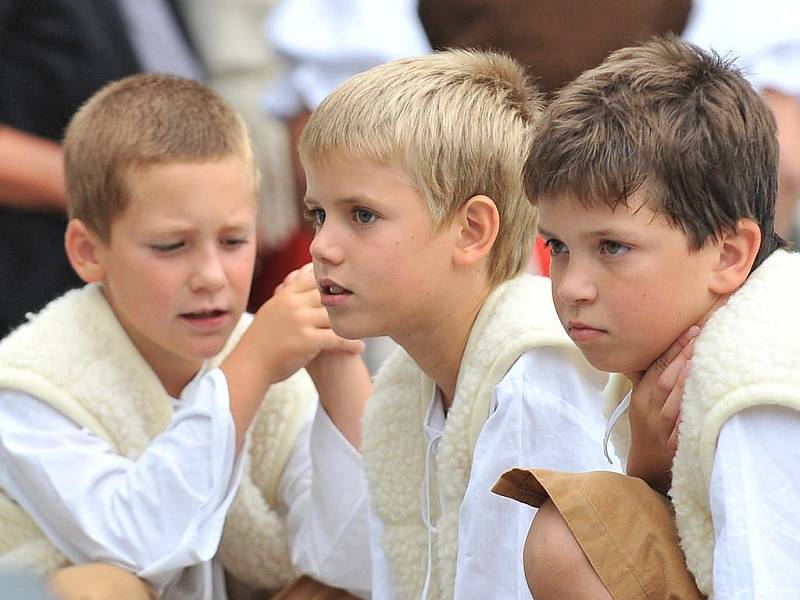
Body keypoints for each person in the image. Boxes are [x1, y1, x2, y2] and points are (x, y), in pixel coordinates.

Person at [0, 74, 369, 600]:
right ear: (88, 251)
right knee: (102, 589)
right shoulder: (29, 384)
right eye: (172, 246)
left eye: (234, 240)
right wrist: (251, 366)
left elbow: (363, 557)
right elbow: (133, 545)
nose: (212, 275)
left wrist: (337, 370)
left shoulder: (272, 362)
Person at [294, 49, 616, 599]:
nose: (322, 245)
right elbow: (349, 567)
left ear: (471, 230)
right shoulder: (413, 384)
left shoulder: (533, 386)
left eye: (362, 215)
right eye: (318, 214)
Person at [493, 36, 800, 599]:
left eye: (612, 247)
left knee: (574, 535)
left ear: (729, 254)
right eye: (557, 247)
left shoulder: (754, 390)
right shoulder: (698, 344)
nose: (572, 287)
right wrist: (649, 469)